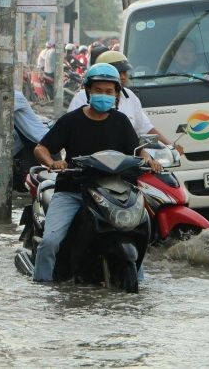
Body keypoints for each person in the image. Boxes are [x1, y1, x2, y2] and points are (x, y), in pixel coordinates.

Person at [31, 63, 162, 282]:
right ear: (88, 92)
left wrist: (149, 160)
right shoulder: (71, 121)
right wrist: (53, 163)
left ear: (117, 95)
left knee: (139, 233)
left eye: (109, 92)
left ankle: (139, 283)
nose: (104, 95)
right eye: (99, 91)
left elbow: (137, 150)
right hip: (73, 190)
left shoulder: (121, 122)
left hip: (114, 192)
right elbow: (40, 148)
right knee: (50, 242)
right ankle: (43, 285)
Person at [68, 51, 177, 150]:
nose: (123, 77)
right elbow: (70, 130)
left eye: (125, 72)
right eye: (118, 73)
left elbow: (145, 128)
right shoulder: (81, 98)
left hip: (125, 161)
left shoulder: (130, 96)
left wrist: (169, 146)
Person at [0, 71, 50, 148]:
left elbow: (2, 108)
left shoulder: (16, 96)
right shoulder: (7, 98)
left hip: (42, 141)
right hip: (28, 141)